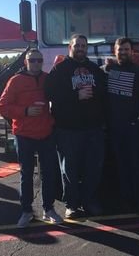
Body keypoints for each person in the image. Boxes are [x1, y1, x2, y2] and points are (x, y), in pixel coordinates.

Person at [0, 49, 63, 228]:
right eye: (32, 60)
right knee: (26, 174)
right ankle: (26, 211)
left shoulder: (47, 78)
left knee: (49, 173)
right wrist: (25, 111)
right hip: (24, 134)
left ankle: (48, 208)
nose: (36, 63)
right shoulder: (15, 80)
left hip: (46, 133)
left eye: (39, 60)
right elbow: (2, 106)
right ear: (25, 61)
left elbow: (59, 98)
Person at [45, 34, 106, 219]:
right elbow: (50, 94)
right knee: (69, 169)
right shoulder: (59, 69)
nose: (80, 48)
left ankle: (89, 201)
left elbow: (104, 93)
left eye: (83, 45)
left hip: (93, 128)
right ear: (70, 47)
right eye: (77, 45)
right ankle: (71, 205)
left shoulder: (95, 69)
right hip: (67, 129)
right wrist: (75, 96)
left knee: (93, 168)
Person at [105, 37, 139, 214]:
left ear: (131, 51)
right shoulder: (108, 70)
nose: (123, 52)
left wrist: (138, 118)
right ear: (114, 51)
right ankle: (126, 201)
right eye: (120, 50)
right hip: (115, 128)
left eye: (126, 49)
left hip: (134, 128)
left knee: (136, 165)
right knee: (121, 165)